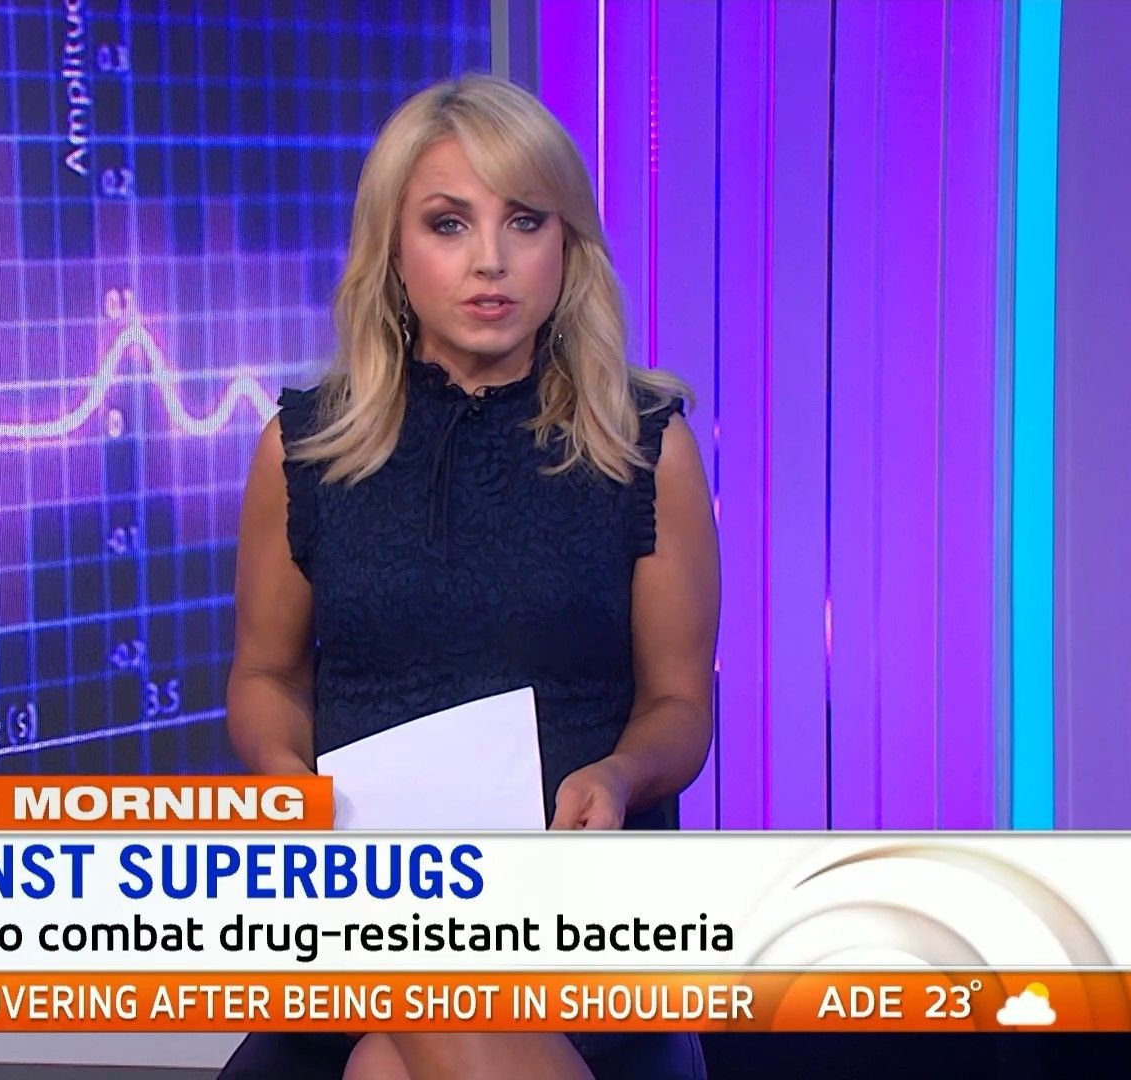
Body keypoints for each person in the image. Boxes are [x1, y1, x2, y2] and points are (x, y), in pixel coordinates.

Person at [221, 73, 719, 1080]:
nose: (490, 259)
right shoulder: (303, 449)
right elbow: (264, 675)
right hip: (367, 898)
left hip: (578, 922)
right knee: (405, 1004)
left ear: (566, 245)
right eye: (449, 224)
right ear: (394, 251)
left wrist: (619, 776)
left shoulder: (643, 448)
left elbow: (679, 702)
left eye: (524, 221)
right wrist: (284, 781)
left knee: (386, 1065)